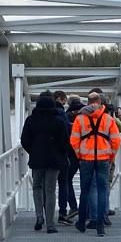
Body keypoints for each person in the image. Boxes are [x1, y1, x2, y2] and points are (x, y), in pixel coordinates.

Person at [70, 89, 121, 236]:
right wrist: (111, 156)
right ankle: (100, 225)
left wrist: (79, 154)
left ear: (88, 102)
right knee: (102, 190)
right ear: (100, 103)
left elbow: (73, 140)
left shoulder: (80, 119)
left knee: (85, 191)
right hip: (103, 159)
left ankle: (81, 222)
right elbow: (116, 141)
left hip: (86, 159)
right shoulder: (108, 119)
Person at [20, 90, 73, 233]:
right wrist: (61, 153)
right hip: (54, 161)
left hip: (37, 160)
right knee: (50, 190)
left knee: (37, 187)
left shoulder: (31, 120)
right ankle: (50, 224)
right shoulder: (59, 121)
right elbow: (65, 142)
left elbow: (24, 140)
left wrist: (33, 151)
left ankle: (39, 216)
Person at [53, 90, 78, 223]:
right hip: (85, 153)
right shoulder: (88, 114)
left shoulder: (64, 114)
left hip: (61, 154)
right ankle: (91, 211)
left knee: (53, 185)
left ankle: (46, 215)